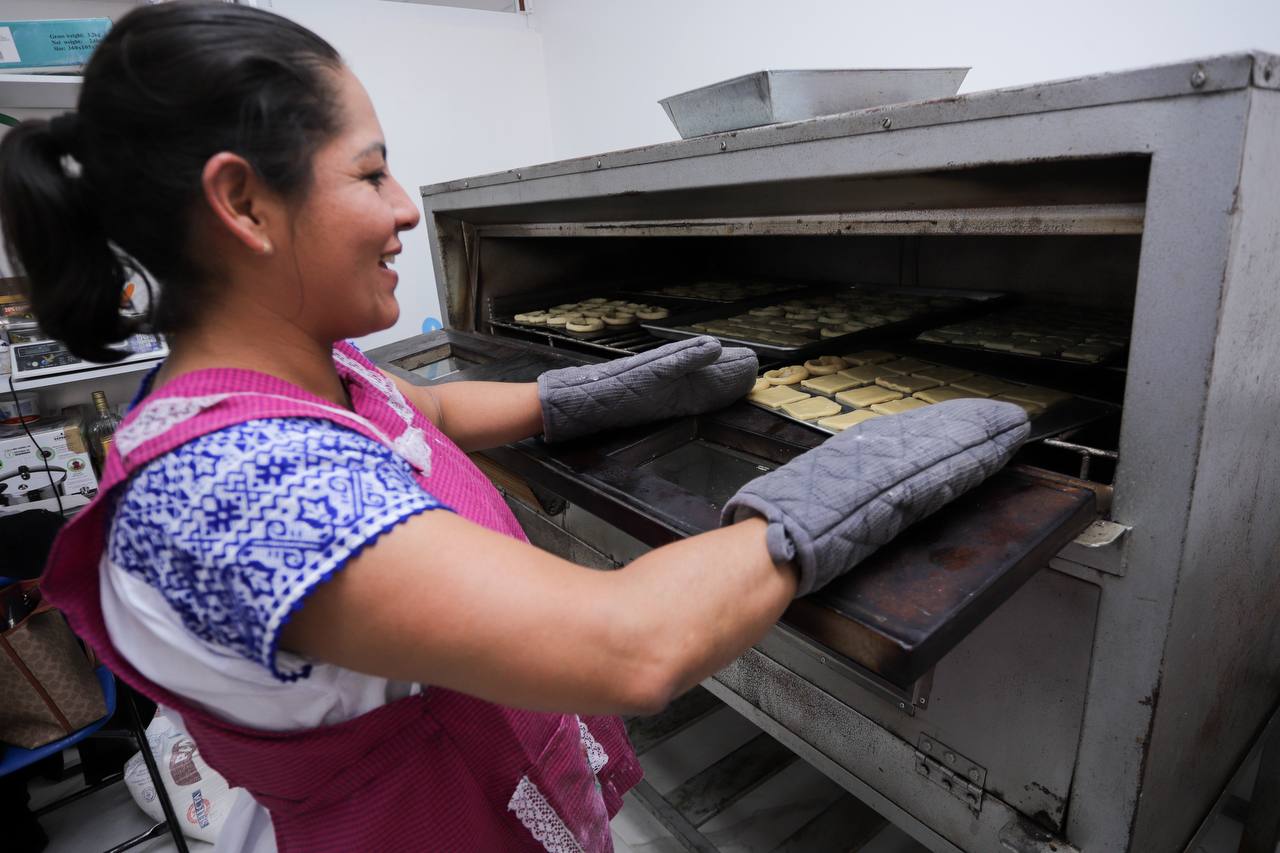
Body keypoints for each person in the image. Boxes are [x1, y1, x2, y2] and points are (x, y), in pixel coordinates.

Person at [0, 3, 1028, 851]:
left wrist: (584, 396)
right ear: (243, 201)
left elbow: (421, 408)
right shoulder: (240, 491)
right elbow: (633, 647)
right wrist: (849, 486)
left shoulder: (279, 374)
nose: (404, 207)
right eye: (368, 174)